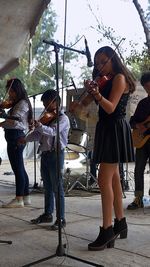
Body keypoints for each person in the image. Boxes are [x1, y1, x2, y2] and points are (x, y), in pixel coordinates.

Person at [69, 46, 136, 251]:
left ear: (113, 60)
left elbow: (110, 107)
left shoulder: (118, 79)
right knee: (113, 178)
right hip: (106, 129)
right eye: (97, 62)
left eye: (103, 61)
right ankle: (120, 223)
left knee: (103, 179)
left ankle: (107, 229)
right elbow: (84, 107)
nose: (99, 66)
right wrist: (78, 105)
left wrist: (97, 94)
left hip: (115, 128)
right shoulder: (102, 81)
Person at [24, 89, 70, 230]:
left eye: (46, 103)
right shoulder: (47, 118)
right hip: (45, 154)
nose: (44, 106)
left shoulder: (63, 118)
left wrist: (40, 125)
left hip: (56, 154)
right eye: (43, 103)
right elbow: (39, 135)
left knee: (57, 188)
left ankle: (61, 218)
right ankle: (47, 214)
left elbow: (51, 132)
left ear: (55, 102)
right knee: (47, 187)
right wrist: (25, 139)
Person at [0, 78, 33, 208]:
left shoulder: (22, 103)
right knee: (20, 168)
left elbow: (14, 121)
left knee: (17, 168)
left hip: (16, 136)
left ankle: (19, 198)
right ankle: (26, 196)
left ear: (17, 90)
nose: (9, 94)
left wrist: (3, 118)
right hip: (15, 136)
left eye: (11, 91)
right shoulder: (18, 102)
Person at [127, 72, 150, 210]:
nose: (148, 89)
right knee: (138, 169)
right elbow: (132, 121)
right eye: (146, 87)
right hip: (142, 141)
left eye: (149, 86)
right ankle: (138, 198)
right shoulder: (143, 103)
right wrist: (138, 126)